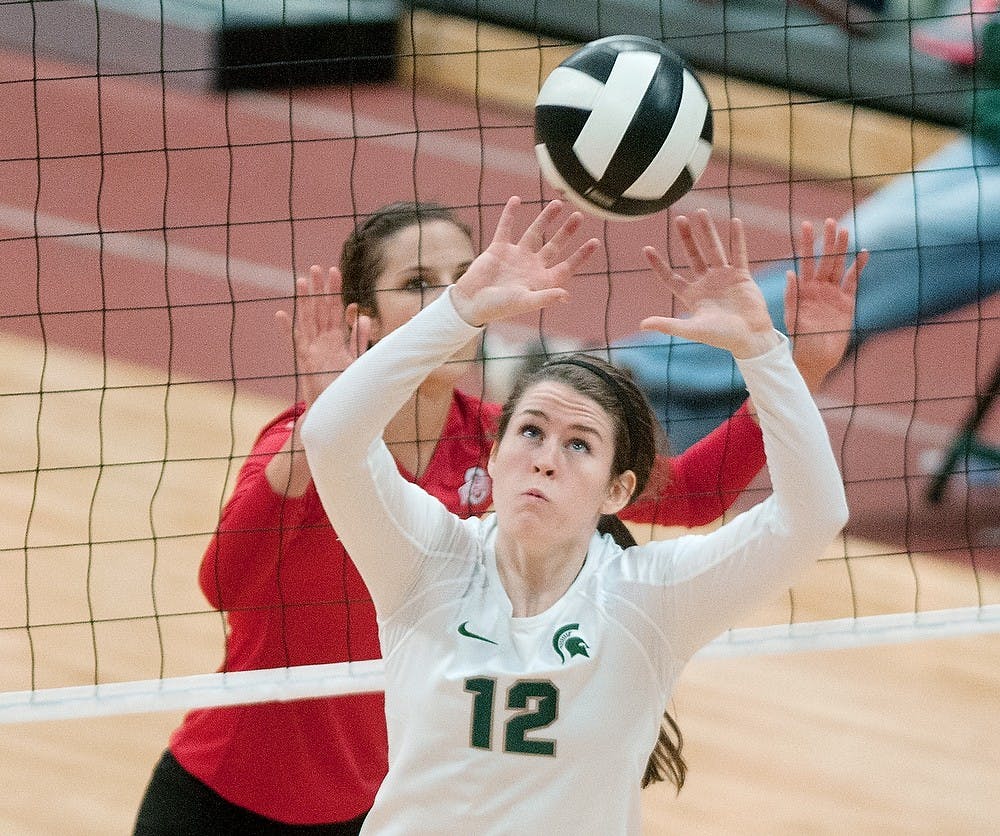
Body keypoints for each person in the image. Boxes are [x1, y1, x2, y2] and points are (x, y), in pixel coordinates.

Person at [132, 199, 860, 834]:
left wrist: (794, 372)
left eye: (461, 278)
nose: (451, 298)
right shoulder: (314, 448)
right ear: (364, 320)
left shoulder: (510, 449)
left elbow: (692, 494)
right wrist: (331, 408)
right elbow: (224, 584)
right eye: (420, 285)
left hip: (372, 796)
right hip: (234, 789)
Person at [614, 15, 1000, 452]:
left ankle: (631, 372)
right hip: (989, 141)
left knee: (850, 275)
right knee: (842, 267)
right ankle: (671, 432)